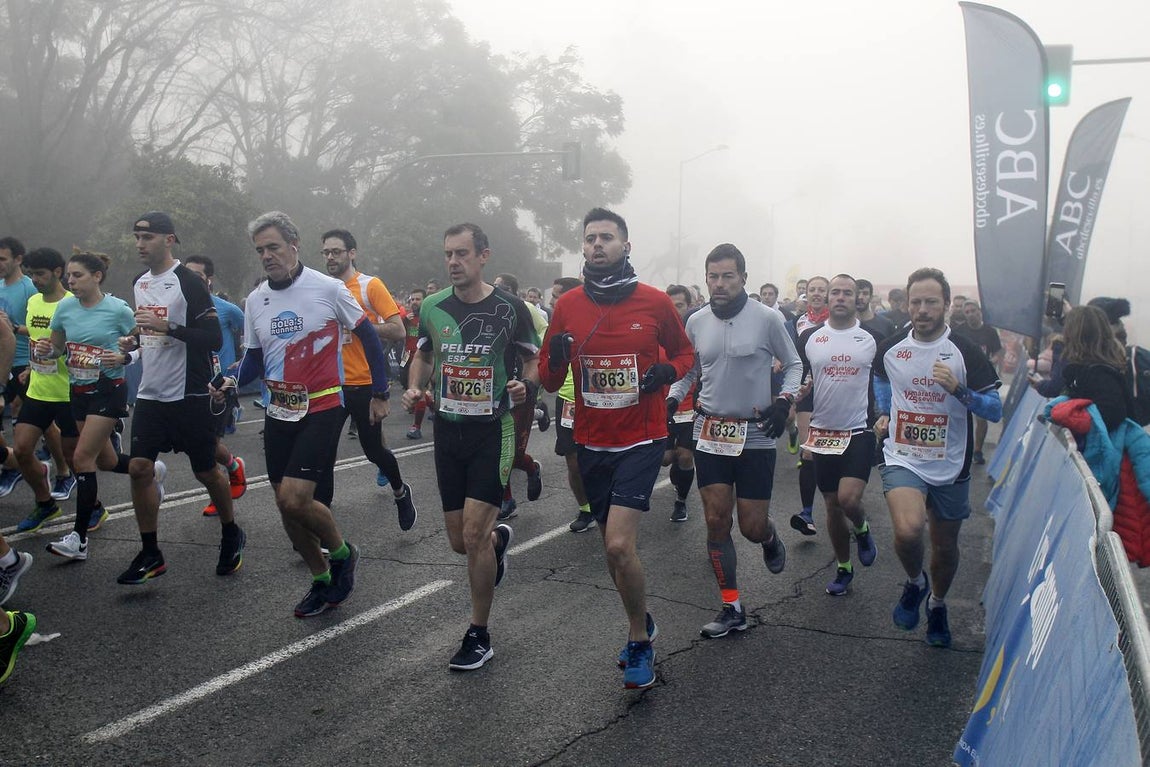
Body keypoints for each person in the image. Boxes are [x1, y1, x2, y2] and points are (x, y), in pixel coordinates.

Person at [540, 208, 694, 689]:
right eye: (590, 238)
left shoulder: (654, 301)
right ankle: (640, 617)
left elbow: (686, 353)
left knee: (618, 544)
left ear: (626, 246)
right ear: (583, 247)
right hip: (592, 440)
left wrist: (667, 371)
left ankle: (639, 642)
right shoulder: (567, 305)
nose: (597, 245)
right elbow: (548, 378)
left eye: (607, 237)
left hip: (641, 439)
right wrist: (557, 358)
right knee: (613, 553)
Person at [217, 211, 389, 617]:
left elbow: (368, 337)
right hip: (279, 409)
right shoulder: (255, 300)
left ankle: (343, 554)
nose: (267, 256)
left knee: (296, 497)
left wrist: (380, 392)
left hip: (323, 405)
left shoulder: (328, 288)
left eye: (273, 247)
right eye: (260, 250)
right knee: (285, 505)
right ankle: (320, 577)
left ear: (294, 246)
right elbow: (254, 360)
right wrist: (230, 379)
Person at [401, 223, 537, 671]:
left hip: (492, 431)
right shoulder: (433, 306)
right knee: (461, 542)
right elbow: (423, 355)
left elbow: (534, 360)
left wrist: (526, 385)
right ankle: (498, 542)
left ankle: (479, 634)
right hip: (447, 431)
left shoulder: (510, 307)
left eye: (462, 253)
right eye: (448, 254)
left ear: (483, 256)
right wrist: (415, 386)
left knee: (473, 536)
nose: (453, 262)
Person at [668, 244, 799, 638]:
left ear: (743, 277)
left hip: (755, 433)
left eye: (728, 276)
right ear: (706, 279)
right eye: (713, 276)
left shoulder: (767, 318)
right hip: (710, 431)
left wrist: (784, 401)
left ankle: (769, 537)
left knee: (751, 526)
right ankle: (731, 606)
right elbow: (689, 370)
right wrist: (673, 397)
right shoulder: (695, 321)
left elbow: (794, 364)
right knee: (715, 519)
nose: (720, 283)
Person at [873, 267, 1001, 648]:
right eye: (916, 302)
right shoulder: (891, 348)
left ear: (946, 304)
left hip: (951, 461)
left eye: (931, 302)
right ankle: (915, 582)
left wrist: (960, 390)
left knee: (945, 547)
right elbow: (881, 378)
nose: (923, 309)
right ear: (907, 304)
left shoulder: (965, 351)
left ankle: (938, 604)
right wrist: (882, 412)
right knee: (908, 530)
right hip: (903, 456)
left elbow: (994, 409)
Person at [117, 211, 245, 584]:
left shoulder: (189, 282)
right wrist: (132, 341)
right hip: (151, 393)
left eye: (147, 237)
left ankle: (231, 531)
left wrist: (169, 326)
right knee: (139, 468)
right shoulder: (139, 282)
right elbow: (147, 332)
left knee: (205, 470)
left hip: (189, 392)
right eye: (137, 237)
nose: (140, 244)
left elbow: (212, 339)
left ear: (169, 239)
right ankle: (150, 552)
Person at [38, 252, 137, 560]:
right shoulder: (65, 308)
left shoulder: (118, 309)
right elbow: (57, 348)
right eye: (69, 275)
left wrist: (125, 354)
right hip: (78, 390)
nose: (70, 281)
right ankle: (147, 468)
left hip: (109, 389)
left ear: (97, 276)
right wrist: (47, 350)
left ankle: (78, 540)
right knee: (106, 460)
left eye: (77, 275)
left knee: (82, 458)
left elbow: (141, 341)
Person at [321, 229, 417, 529]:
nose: (330, 257)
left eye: (336, 251)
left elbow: (398, 330)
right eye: (326, 252)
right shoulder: (321, 287)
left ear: (352, 253)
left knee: (373, 450)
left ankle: (400, 491)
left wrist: (360, 326)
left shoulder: (369, 285)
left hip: (363, 384)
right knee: (323, 452)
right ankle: (321, 520)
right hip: (330, 385)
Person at [796, 274, 882, 596]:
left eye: (847, 292)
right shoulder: (811, 338)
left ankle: (861, 527)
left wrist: (886, 413)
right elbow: (800, 374)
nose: (841, 297)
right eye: (836, 293)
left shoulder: (872, 339)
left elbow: (886, 380)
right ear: (828, 298)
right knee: (832, 504)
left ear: (857, 298)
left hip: (859, 430)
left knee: (848, 499)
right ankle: (844, 568)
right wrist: (797, 393)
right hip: (823, 432)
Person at [183, 255, 249, 515]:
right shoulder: (179, 307)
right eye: (186, 274)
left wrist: (242, 361)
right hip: (190, 382)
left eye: (197, 276)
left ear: (208, 280)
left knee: (208, 444)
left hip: (220, 383)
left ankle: (220, 494)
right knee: (197, 442)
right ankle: (233, 466)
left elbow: (251, 333)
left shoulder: (226, 309)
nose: (190, 280)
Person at [492, 272, 546, 521]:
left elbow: (540, 342)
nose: (496, 290)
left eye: (502, 287)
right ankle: (507, 500)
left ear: (514, 291)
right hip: (493, 393)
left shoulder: (524, 309)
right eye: (494, 286)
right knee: (496, 451)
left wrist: (529, 383)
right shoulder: (487, 308)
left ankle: (531, 468)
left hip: (520, 391)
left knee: (513, 455)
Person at [549, 277, 596, 533]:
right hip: (568, 399)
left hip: (596, 399)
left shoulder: (591, 318)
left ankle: (609, 501)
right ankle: (586, 508)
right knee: (573, 461)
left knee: (600, 459)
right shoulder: (555, 324)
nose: (551, 301)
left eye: (556, 296)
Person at [0, 237, 41, 493]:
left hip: (24, 361)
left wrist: (13, 327)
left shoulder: (30, 289)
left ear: (18, 259)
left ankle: (43, 466)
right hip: (2, 361)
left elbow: (42, 329)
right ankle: (14, 462)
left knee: (25, 411)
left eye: (2, 259)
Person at [791, 275, 830, 537]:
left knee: (831, 456)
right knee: (808, 451)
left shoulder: (837, 321)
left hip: (834, 390)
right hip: (808, 390)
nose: (816, 293)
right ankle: (807, 513)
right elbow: (795, 358)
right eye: (812, 289)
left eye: (821, 290)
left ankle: (845, 509)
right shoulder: (800, 322)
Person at [664, 284, 698, 523]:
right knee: (666, 458)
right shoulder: (657, 333)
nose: (675, 311)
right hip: (663, 407)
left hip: (690, 408)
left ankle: (681, 502)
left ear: (690, 306)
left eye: (680, 305)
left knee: (685, 456)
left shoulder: (696, 332)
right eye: (671, 306)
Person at [954, 300, 1002, 464]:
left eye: (973, 311)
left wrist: (992, 361)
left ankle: (978, 450)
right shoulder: (959, 331)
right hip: (962, 378)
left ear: (979, 312)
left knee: (981, 417)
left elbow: (998, 352)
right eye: (967, 312)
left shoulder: (990, 332)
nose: (970, 314)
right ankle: (960, 448)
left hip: (981, 379)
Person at [401, 288, 433, 439]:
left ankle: (416, 427)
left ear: (424, 301)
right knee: (408, 386)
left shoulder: (429, 318)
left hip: (424, 360)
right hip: (408, 358)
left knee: (419, 390)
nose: (414, 302)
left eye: (418, 299)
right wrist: (404, 320)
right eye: (412, 299)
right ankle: (434, 407)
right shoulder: (407, 319)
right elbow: (398, 334)